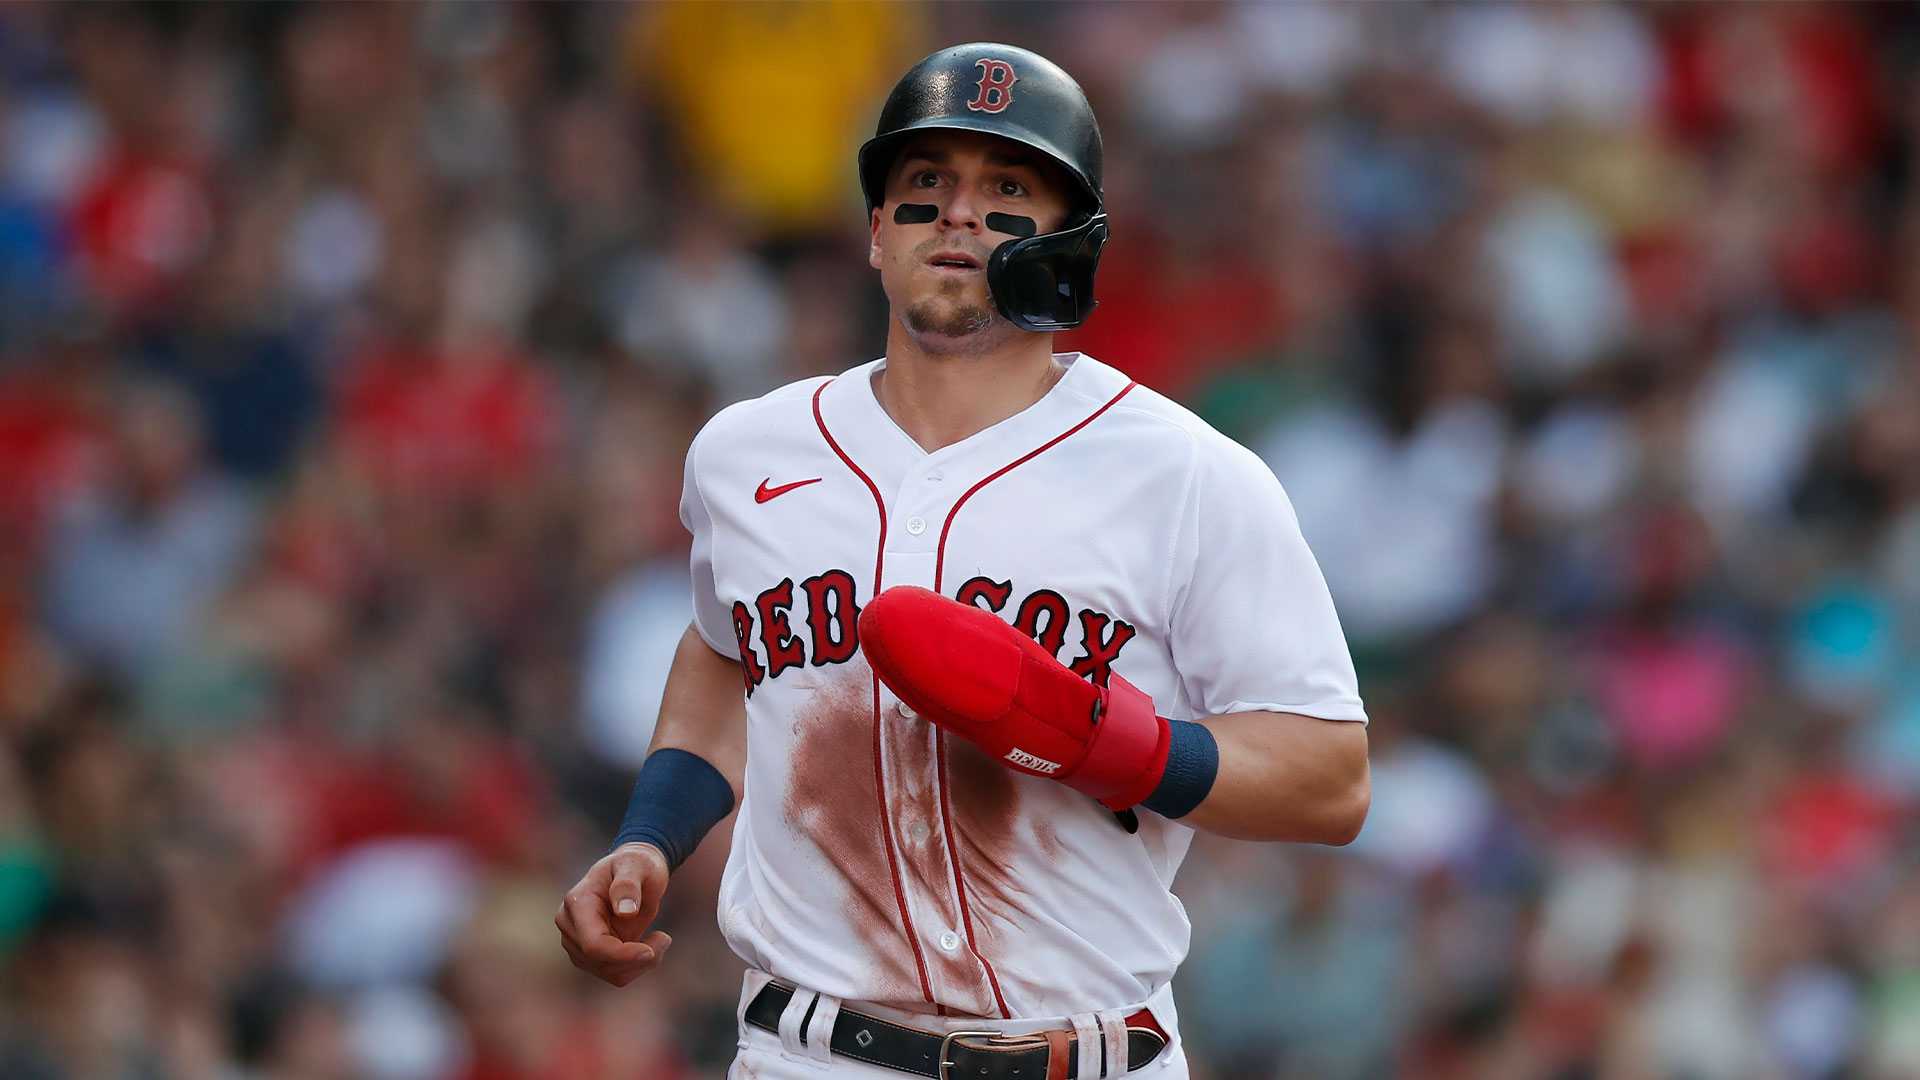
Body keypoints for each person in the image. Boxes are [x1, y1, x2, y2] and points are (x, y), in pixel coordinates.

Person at [557, 42, 1370, 1079]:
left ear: (1072, 241)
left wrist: (1119, 749)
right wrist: (650, 835)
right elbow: (726, 650)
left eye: (1008, 187)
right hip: (809, 1054)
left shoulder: (1187, 476)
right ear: (874, 233)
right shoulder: (746, 454)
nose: (958, 212)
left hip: (1091, 1050)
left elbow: (1332, 778)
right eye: (924, 185)